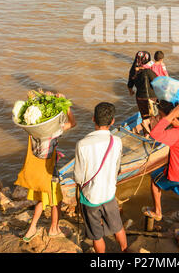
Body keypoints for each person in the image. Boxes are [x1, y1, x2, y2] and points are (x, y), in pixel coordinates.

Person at [19, 91, 76, 242]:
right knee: (55, 200)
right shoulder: (52, 132)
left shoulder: (32, 131)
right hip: (49, 170)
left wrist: (45, 99)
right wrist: (66, 105)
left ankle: (31, 229)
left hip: (37, 170)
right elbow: (72, 123)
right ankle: (53, 229)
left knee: (41, 199)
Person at [143, 102, 179, 250]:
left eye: (161, 115)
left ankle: (158, 212)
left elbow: (154, 134)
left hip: (176, 174)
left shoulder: (176, 134)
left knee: (154, 181)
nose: (161, 118)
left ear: (173, 116)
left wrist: (169, 116)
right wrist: (171, 116)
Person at [74, 102, 127, 254]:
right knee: (118, 227)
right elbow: (117, 168)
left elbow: (78, 177)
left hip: (90, 198)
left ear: (93, 119)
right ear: (112, 122)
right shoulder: (116, 141)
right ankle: (125, 250)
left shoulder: (82, 144)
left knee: (96, 236)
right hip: (109, 194)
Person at [127, 51, 159, 134]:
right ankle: (152, 133)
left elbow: (130, 85)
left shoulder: (133, 71)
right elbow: (158, 82)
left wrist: (131, 92)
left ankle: (146, 134)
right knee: (154, 116)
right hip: (151, 97)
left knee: (144, 116)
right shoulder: (148, 71)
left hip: (139, 98)